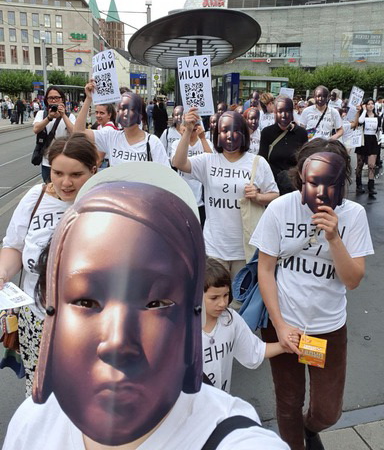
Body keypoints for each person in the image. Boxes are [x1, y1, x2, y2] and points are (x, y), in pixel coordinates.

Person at [3, 179, 289, 450]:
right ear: (51, 315)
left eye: (155, 304)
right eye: (86, 302)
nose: (116, 341)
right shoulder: (33, 423)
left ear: (192, 317)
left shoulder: (235, 440)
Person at [250, 139, 374, 450]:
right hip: (286, 327)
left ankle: (309, 428)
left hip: (327, 330)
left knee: (327, 411)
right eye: (312, 182)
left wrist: (333, 237)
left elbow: (353, 280)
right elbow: (265, 270)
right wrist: (279, 325)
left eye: (329, 182)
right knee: (289, 401)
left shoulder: (353, 215)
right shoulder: (281, 208)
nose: (320, 191)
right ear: (300, 178)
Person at [0, 133, 98, 396]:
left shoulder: (103, 203)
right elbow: (14, 247)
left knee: (80, 396)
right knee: (39, 394)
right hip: (37, 319)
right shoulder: (35, 198)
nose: (65, 182)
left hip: (87, 325)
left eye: (76, 175)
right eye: (57, 172)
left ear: (94, 169)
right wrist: (3, 272)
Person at [173, 108, 279, 278]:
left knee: (239, 303)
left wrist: (258, 197)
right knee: (214, 300)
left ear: (244, 134)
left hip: (244, 249)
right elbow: (178, 162)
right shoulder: (208, 160)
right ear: (217, 134)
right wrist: (187, 131)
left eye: (236, 130)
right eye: (224, 130)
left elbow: (274, 195)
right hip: (214, 248)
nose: (230, 135)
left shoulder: (258, 163)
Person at [203, 257, 297, 393]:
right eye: (214, 298)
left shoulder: (230, 319)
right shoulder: (178, 330)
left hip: (219, 405)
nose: (223, 303)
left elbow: (254, 351)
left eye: (226, 295)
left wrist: (285, 345)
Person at [74, 81, 170, 167]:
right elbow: (78, 132)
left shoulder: (153, 143)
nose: (124, 113)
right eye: (121, 108)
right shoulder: (111, 136)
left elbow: (166, 177)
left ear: (140, 115)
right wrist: (88, 99)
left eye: (130, 108)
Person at [259, 96, 308, 194]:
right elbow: (262, 161)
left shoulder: (301, 133)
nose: (284, 115)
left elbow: (304, 161)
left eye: (288, 111)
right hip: (272, 187)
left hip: (294, 187)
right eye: (280, 111)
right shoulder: (267, 133)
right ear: (275, 112)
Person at [171, 118, 213, 225]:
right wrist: (184, 136)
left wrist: (203, 139)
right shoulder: (177, 144)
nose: (194, 127)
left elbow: (212, 162)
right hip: (183, 198)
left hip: (202, 200)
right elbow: (175, 163)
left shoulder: (206, 142)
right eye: (190, 124)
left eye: (197, 124)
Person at [33, 86, 76, 183]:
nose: (54, 100)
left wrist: (63, 115)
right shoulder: (41, 114)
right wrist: (49, 117)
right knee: (49, 189)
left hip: (65, 160)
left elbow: (75, 133)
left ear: (62, 99)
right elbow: (36, 129)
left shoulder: (70, 116)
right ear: (46, 100)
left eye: (57, 98)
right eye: (51, 98)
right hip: (47, 161)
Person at [355, 98, 382, 197]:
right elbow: (360, 121)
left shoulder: (378, 117)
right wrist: (364, 110)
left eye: (372, 104)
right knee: (360, 164)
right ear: (365, 105)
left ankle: (371, 186)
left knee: (371, 165)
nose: (371, 105)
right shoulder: (363, 115)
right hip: (363, 141)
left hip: (373, 141)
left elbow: (379, 130)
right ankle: (359, 184)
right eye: (369, 104)